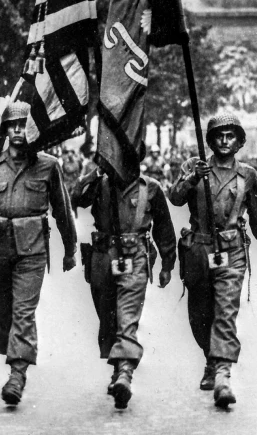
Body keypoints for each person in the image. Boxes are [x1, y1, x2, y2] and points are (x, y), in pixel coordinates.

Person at [0, 102, 77, 405]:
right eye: (13, 125)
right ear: (4, 130)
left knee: (23, 312)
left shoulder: (48, 165)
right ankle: (12, 348)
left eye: (24, 125)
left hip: (32, 249)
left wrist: (70, 249)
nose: (19, 131)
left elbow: (63, 210)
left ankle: (17, 373)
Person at [170, 114, 257, 409]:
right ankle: (211, 360)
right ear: (211, 140)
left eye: (230, 136)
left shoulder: (248, 175)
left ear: (239, 141)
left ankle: (223, 375)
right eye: (219, 135)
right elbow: (175, 198)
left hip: (232, 251)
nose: (224, 141)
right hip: (198, 250)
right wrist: (193, 178)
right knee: (200, 314)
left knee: (225, 311)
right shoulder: (194, 166)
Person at [71, 153, 177, 410]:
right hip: (103, 258)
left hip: (136, 257)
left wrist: (167, 263)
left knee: (127, 316)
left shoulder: (150, 188)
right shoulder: (100, 183)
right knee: (108, 317)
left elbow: (164, 227)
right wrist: (96, 173)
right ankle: (118, 368)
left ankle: (125, 373)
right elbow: (76, 198)